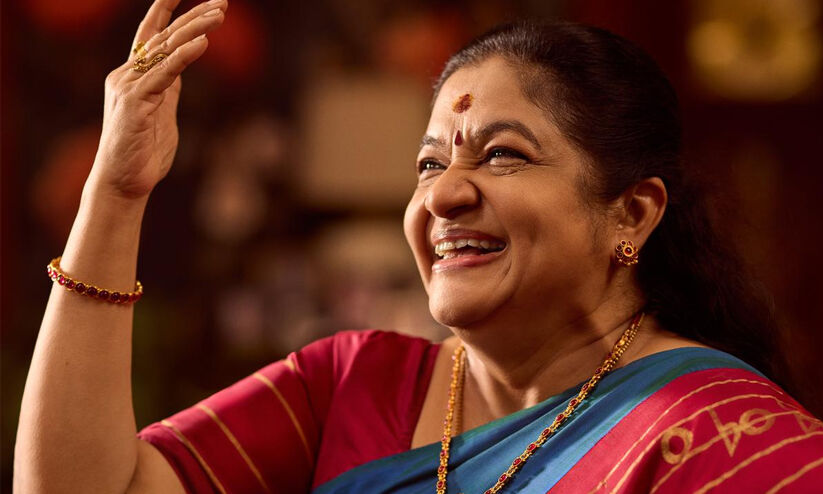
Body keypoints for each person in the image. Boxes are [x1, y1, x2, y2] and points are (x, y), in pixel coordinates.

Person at [14, 0, 823, 492]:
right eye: (430, 164)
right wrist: (115, 195)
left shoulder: (719, 437)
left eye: (501, 154)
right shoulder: (350, 386)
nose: (440, 195)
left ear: (632, 215)